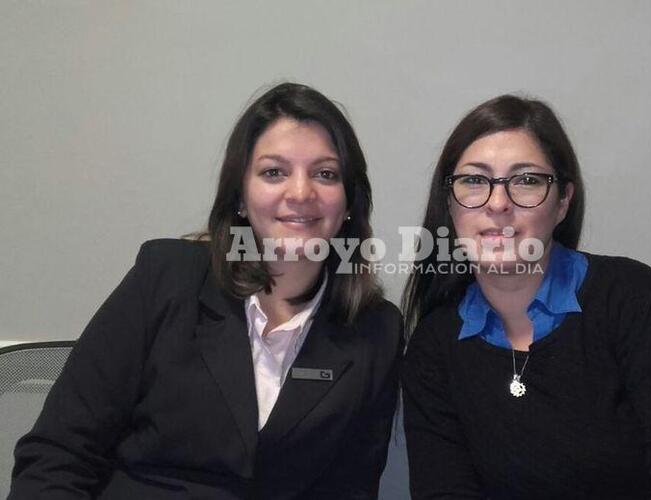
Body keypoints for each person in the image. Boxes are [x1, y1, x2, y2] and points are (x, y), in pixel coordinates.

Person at [10, 82, 402, 499]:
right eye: (274, 172)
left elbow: (349, 490)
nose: (301, 193)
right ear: (240, 196)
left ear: (347, 204)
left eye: (325, 174)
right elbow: (60, 453)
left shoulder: (375, 330)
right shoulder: (167, 278)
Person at [401, 94, 651, 499]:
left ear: (563, 202)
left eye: (527, 180)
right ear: (449, 203)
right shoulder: (434, 345)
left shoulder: (637, 301)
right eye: (475, 180)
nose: (498, 203)